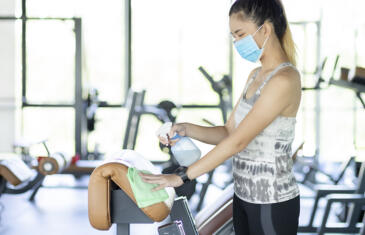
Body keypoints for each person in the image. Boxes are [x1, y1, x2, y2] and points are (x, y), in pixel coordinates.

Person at [140, 0, 301, 234]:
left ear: (265, 29)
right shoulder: (255, 75)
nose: (237, 42)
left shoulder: (284, 79)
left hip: (272, 200)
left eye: (240, 34)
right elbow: (229, 132)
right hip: (243, 195)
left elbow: (238, 142)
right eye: (234, 36)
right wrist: (186, 128)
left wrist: (182, 177)